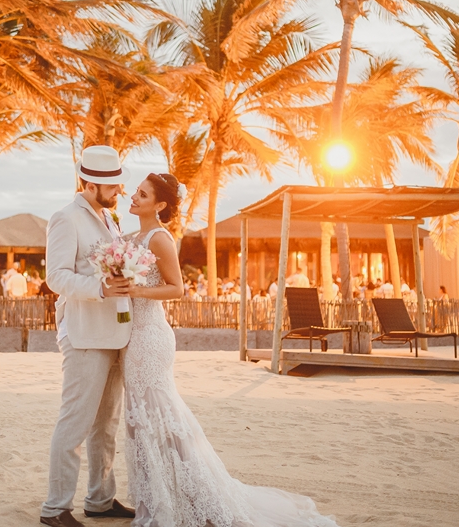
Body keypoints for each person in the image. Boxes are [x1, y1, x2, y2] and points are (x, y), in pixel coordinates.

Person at [122, 172, 338, 527]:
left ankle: (188, 499)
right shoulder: (132, 237)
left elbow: (177, 289)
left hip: (151, 338)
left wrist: (138, 292)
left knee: (159, 419)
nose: (134, 197)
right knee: (139, 421)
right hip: (133, 339)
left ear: (160, 205)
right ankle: (158, 498)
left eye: (142, 194)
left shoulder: (159, 239)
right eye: (136, 191)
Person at [40, 146, 135, 527]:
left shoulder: (108, 217)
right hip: (83, 334)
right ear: (91, 183)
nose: (118, 190)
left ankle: (100, 499)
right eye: (111, 185)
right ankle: (56, 508)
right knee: (75, 423)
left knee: (106, 425)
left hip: (114, 332)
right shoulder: (65, 218)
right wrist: (100, 288)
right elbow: (56, 277)